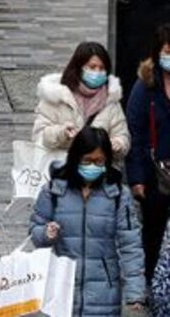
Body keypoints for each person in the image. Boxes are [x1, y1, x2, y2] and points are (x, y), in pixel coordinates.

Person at [29, 127, 146, 315]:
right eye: (87, 161)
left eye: (99, 161)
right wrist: (46, 233)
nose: (93, 166)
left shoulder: (118, 195)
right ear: (76, 158)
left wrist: (135, 291)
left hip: (104, 293)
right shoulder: (54, 191)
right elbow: (35, 231)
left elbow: (130, 244)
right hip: (61, 288)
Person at [32, 42, 130, 158]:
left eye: (102, 68)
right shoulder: (56, 96)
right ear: (79, 68)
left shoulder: (111, 100)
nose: (97, 72)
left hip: (97, 166)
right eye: (92, 67)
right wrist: (62, 133)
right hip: (60, 165)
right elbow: (39, 136)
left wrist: (118, 143)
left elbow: (122, 135)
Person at [126, 24, 170, 280]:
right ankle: (149, 282)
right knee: (153, 233)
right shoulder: (145, 86)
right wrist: (137, 178)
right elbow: (136, 133)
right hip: (155, 174)